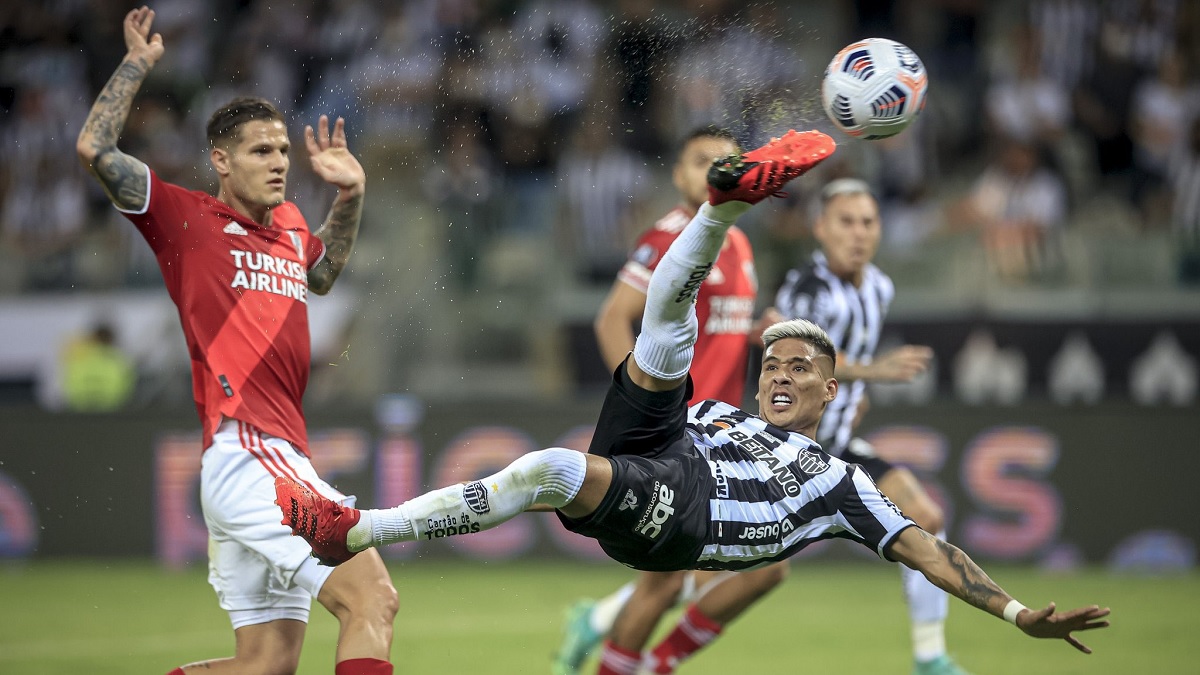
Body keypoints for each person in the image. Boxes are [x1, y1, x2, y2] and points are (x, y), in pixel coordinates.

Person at [275, 130, 1110, 668]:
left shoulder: (839, 483)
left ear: (829, 387)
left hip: (692, 516)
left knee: (551, 469)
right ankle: (721, 206)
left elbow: (929, 547)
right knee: (666, 333)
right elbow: (655, 341)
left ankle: (357, 527)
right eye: (772, 362)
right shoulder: (729, 412)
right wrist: (647, 373)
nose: (778, 372)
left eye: (798, 368)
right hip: (674, 447)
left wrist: (1014, 611)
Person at [75, 8, 397, 675]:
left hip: (273, 457)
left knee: (267, 666)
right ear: (220, 160)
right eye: (261, 151)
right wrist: (136, 64)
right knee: (372, 598)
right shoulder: (184, 219)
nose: (280, 163)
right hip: (249, 454)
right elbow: (95, 152)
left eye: (283, 150)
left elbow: (325, 274)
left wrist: (351, 196)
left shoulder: (288, 224)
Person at [563, 126, 788, 675]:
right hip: (680, 431)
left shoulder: (736, 238)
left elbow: (715, 327)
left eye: (725, 161)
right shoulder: (669, 236)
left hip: (720, 427)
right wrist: (644, 407)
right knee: (678, 575)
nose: (714, 169)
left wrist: (758, 331)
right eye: (701, 161)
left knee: (761, 562)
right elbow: (612, 317)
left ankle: (616, 637)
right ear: (678, 174)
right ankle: (629, 657)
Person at [775, 178, 969, 675]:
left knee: (925, 516)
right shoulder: (809, 289)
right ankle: (606, 618)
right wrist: (872, 371)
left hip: (838, 446)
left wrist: (854, 395)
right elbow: (798, 361)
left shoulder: (879, 287)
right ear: (820, 228)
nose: (858, 233)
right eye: (846, 221)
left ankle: (930, 659)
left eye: (868, 222)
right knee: (721, 566)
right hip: (783, 451)